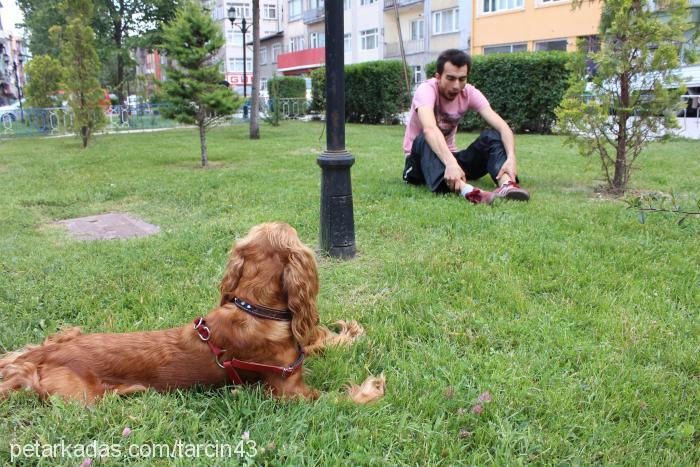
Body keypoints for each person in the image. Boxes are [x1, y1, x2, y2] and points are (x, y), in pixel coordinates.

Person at [402, 49, 530, 204]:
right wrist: (450, 163)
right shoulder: (426, 90)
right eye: (450, 78)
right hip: (419, 162)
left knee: (491, 136)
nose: (456, 85)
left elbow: (503, 127)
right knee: (424, 137)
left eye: (462, 79)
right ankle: (469, 191)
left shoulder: (469, 92)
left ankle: (506, 184)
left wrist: (511, 158)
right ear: (438, 77)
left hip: (451, 160)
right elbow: (430, 129)